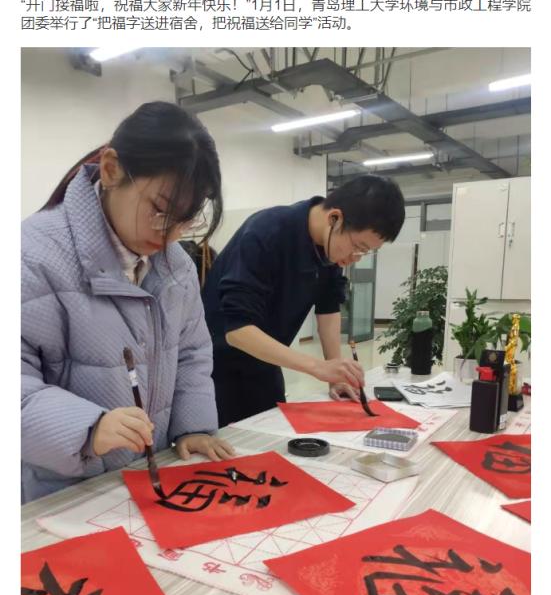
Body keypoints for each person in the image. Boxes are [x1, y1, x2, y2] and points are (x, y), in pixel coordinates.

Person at [21, 101, 234, 503]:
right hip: (60, 495)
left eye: (187, 219)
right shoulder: (31, 256)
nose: (171, 234)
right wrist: (87, 428)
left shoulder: (176, 267)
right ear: (111, 169)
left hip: (147, 483)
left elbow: (191, 354)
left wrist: (192, 426)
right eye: (160, 211)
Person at [202, 175, 406, 427]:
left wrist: (335, 374)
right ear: (335, 218)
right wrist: (317, 367)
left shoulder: (331, 248)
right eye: (358, 246)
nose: (356, 258)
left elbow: (328, 308)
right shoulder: (266, 231)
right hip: (215, 370)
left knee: (273, 439)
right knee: (224, 445)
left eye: (365, 252)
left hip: (267, 365)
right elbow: (237, 331)